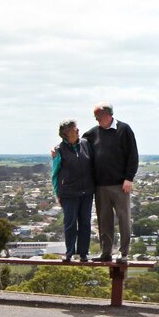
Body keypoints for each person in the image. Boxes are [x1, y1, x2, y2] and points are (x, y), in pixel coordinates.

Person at [83, 102, 139, 264]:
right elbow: (76, 144)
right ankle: (105, 252)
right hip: (100, 186)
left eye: (98, 116)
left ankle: (124, 254)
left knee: (124, 219)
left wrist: (129, 178)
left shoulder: (124, 129)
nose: (96, 119)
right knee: (104, 220)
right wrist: (58, 148)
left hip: (120, 184)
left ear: (108, 114)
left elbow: (133, 155)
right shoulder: (93, 133)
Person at [51, 120, 95, 262]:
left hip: (86, 191)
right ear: (66, 133)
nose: (78, 130)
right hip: (68, 193)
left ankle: (83, 253)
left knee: (85, 223)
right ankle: (69, 252)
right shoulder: (59, 150)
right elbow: (55, 173)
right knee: (70, 223)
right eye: (74, 129)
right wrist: (57, 193)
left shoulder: (86, 144)